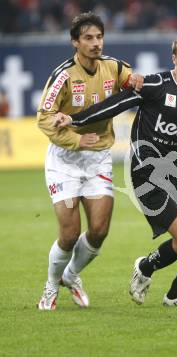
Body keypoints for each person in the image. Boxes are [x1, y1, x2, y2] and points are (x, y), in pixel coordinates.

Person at [54, 32, 177, 307]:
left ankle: (176, 295)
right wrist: (74, 120)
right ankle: (145, 267)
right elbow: (114, 104)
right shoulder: (157, 84)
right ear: (174, 58)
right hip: (147, 174)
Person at [36, 12, 143, 310]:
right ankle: (49, 287)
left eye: (99, 37)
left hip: (98, 158)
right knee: (69, 235)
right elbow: (44, 119)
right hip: (64, 160)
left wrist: (135, 79)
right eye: (88, 38)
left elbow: (130, 79)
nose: (96, 43)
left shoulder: (114, 67)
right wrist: (75, 139)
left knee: (99, 230)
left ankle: (70, 276)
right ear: (75, 42)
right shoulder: (63, 76)